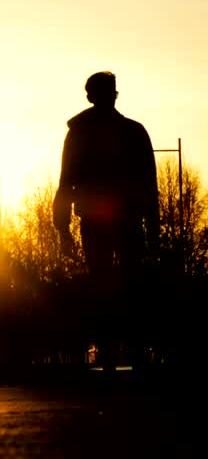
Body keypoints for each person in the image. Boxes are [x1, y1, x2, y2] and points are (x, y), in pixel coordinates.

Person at [53, 71, 158, 368]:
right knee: (126, 285)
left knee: (108, 286)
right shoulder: (132, 132)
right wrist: (153, 227)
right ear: (112, 94)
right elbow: (149, 185)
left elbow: (66, 180)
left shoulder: (82, 134)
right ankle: (127, 350)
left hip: (105, 220)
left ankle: (114, 350)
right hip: (122, 218)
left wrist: (62, 228)